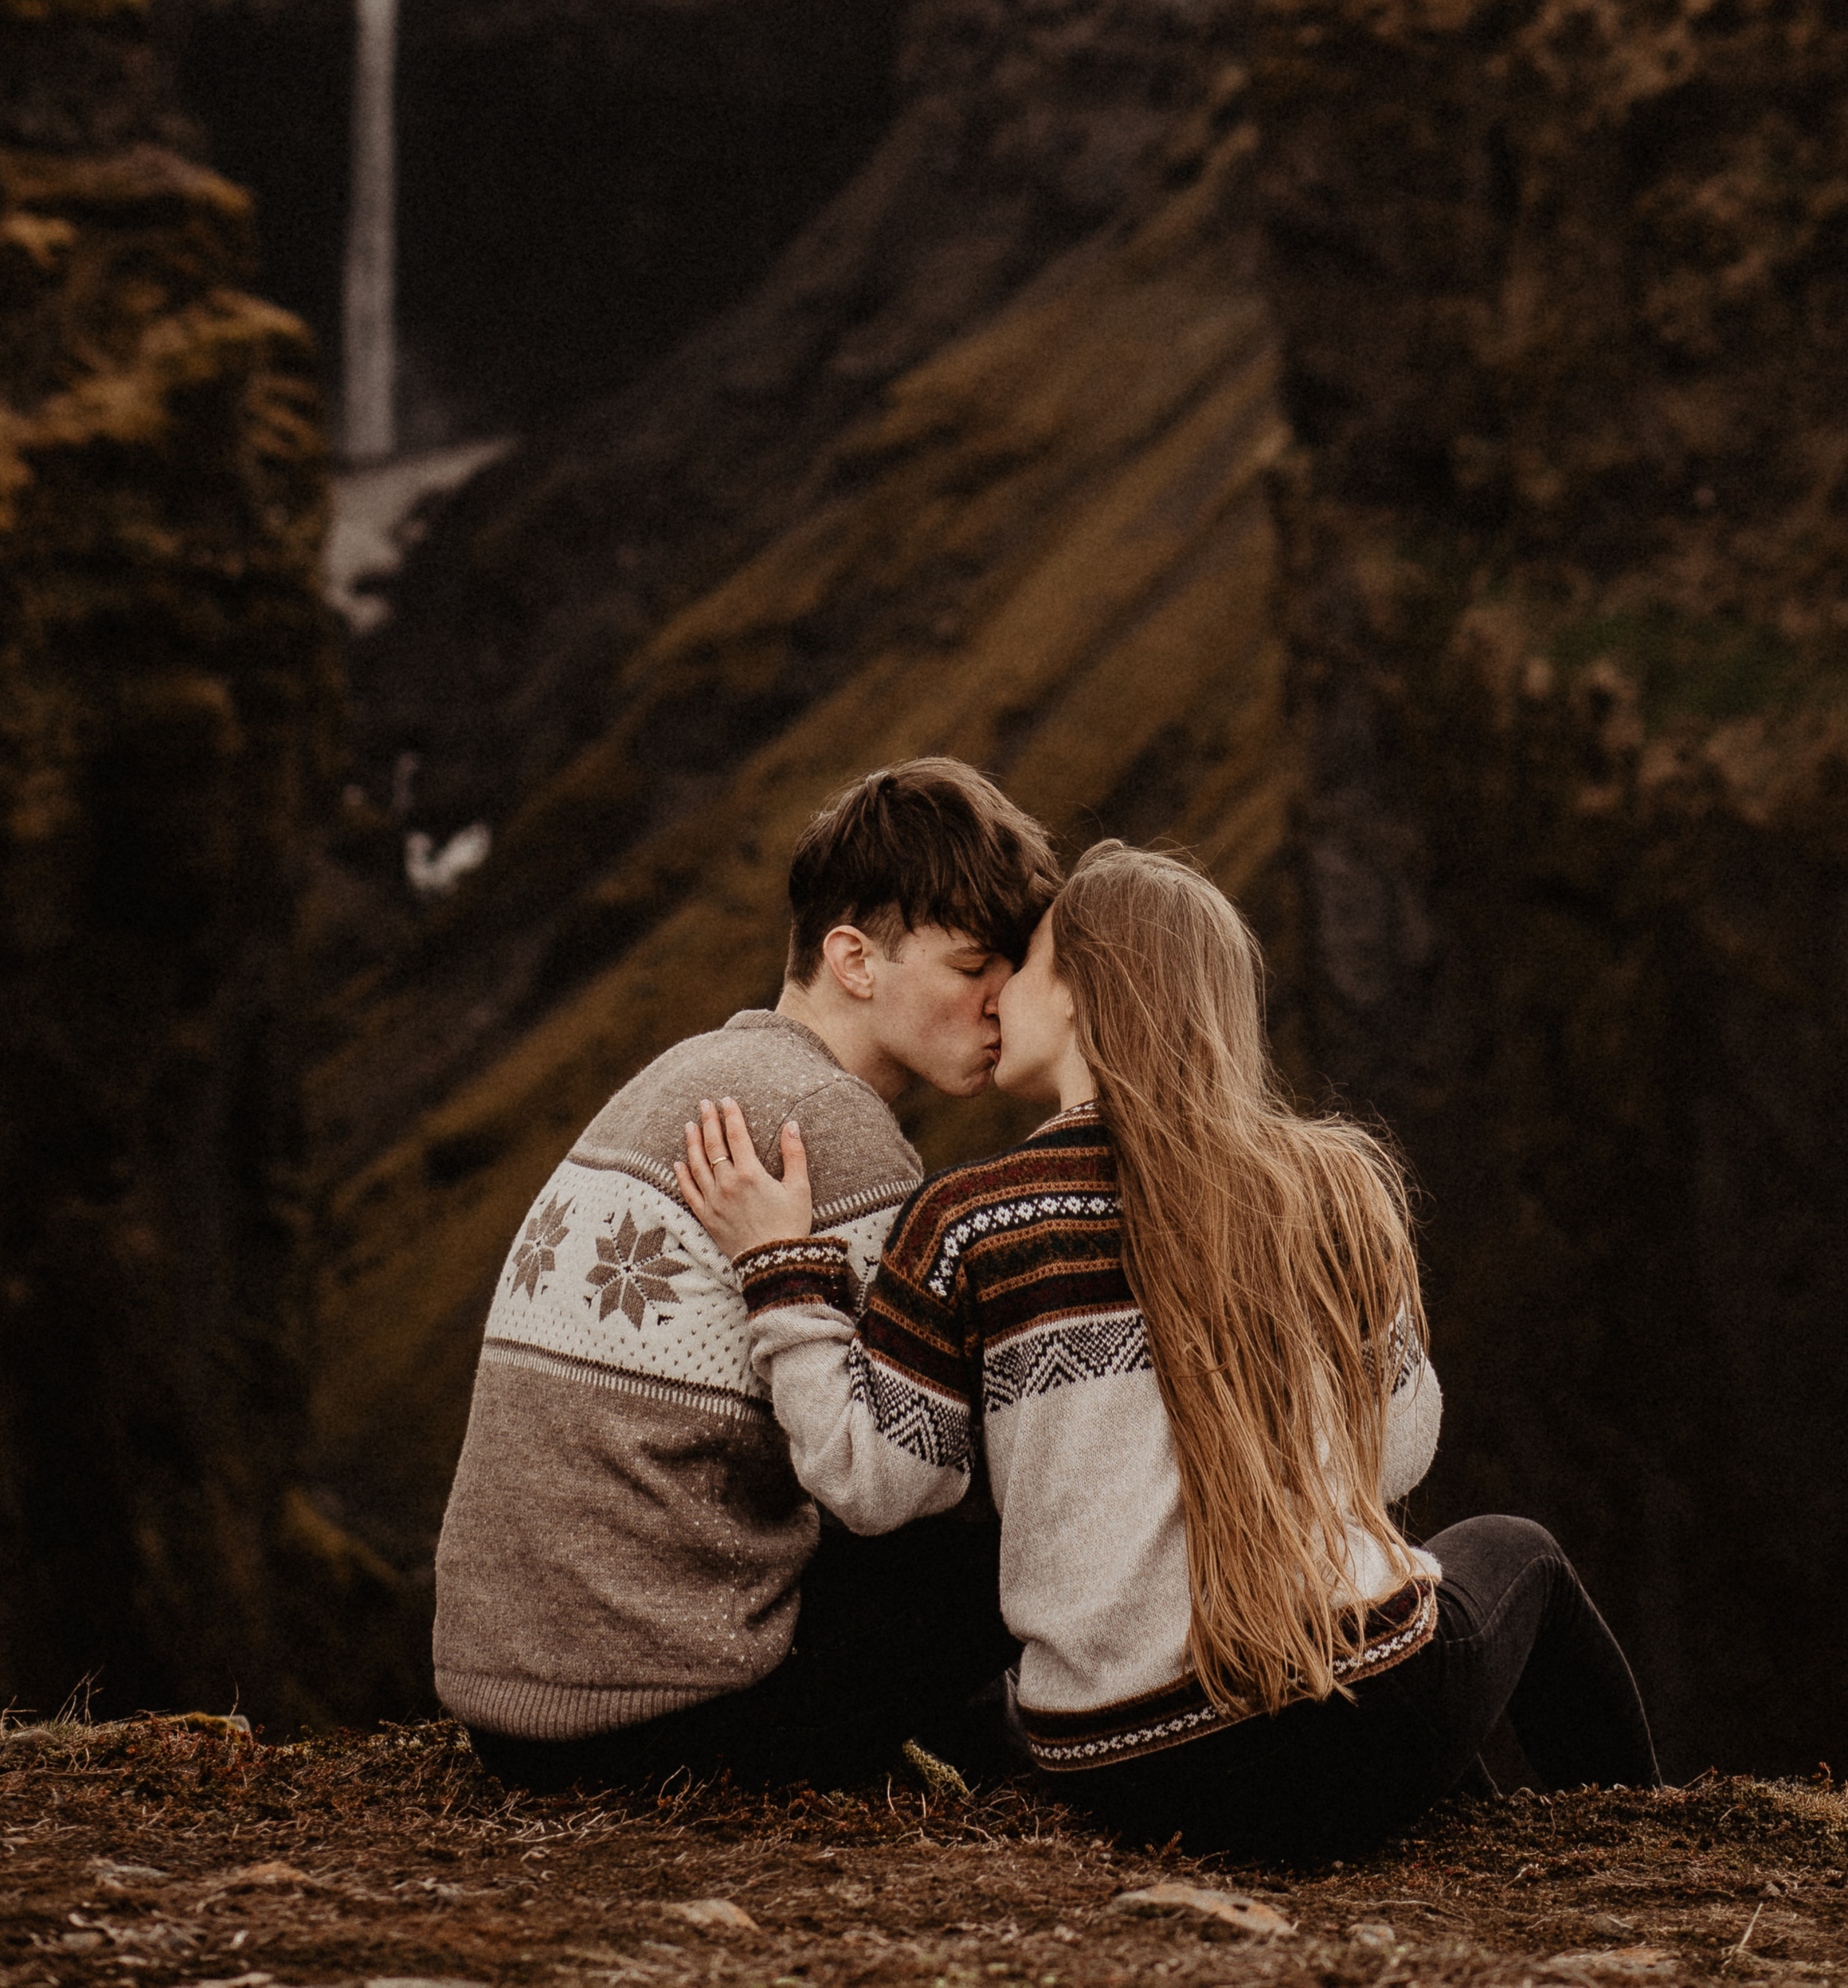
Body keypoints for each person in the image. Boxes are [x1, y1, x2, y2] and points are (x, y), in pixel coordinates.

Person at [680, 839, 1659, 1859]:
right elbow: (1397, 1452)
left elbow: (871, 1484)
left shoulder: (969, 1223)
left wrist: (783, 1273)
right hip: (1362, 1730)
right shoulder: (1327, 1189)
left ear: (1075, 996)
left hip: (1128, 1774)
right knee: (1520, 1557)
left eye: (1026, 963)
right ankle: (1652, 1845)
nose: (998, 990)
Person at [433, 755, 1061, 1792]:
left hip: (516, 1712)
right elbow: (905, 1481)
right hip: (661, 1722)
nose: (1003, 1002)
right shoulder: (829, 1128)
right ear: (854, 960)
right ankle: (1027, 1767)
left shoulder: (693, 1072)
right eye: (970, 967)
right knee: (1018, 1526)